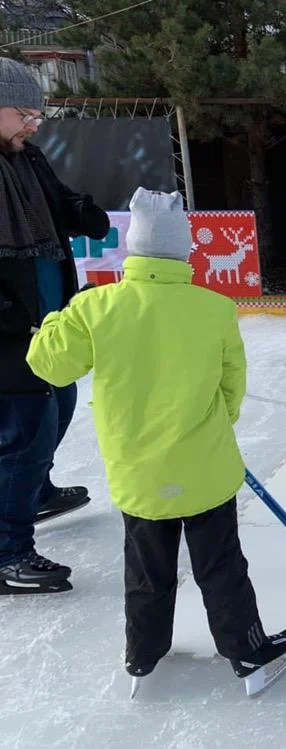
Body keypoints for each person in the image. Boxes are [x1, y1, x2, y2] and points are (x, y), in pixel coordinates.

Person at [24, 187, 286, 697]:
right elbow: (231, 388)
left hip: (139, 474)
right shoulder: (214, 309)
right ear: (185, 249)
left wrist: (57, 322)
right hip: (206, 468)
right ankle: (246, 651)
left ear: (134, 246)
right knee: (221, 567)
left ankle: (143, 652)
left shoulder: (95, 307)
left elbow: (49, 365)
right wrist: (212, 427)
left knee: (147, 570)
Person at [0, 56, 109, 595]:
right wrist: (12, 322)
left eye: (38, 115)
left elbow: (58, 202)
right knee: (24, 433)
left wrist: (85, 212)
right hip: (9, 333)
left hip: (48, 316)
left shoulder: (28, 156)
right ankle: (7, 555)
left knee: (58, 405)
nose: (34, 123)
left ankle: (34, 492)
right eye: (24, 113)